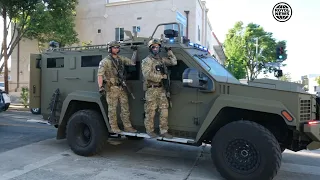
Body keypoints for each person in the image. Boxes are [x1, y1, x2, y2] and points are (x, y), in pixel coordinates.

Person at [97, 41, 138, 133]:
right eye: (114, 47)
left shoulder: (120, 59)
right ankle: (114, 127)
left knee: (125, 107)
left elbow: (132, 63)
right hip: (111, 88)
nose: (116, 49)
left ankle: (127, 126)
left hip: (121, 87)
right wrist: (100, 87)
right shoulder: (105, 61)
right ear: (110, 49)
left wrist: (135, 52)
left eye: (117, 48)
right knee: (112, 109)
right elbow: (100, 75)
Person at [141, 38, 177, 138]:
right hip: (151, 89)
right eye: (153, 47)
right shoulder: (146, 61)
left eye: (157, 47)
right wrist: (161, 77)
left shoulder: (162, 60)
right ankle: (150, 131)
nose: (155, 49)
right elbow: (147, 74)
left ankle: (164, 131)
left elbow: (174, 62)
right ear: (150, 48)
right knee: (150, 112)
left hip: (161, 90)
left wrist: (169, 51)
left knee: (164, 111)